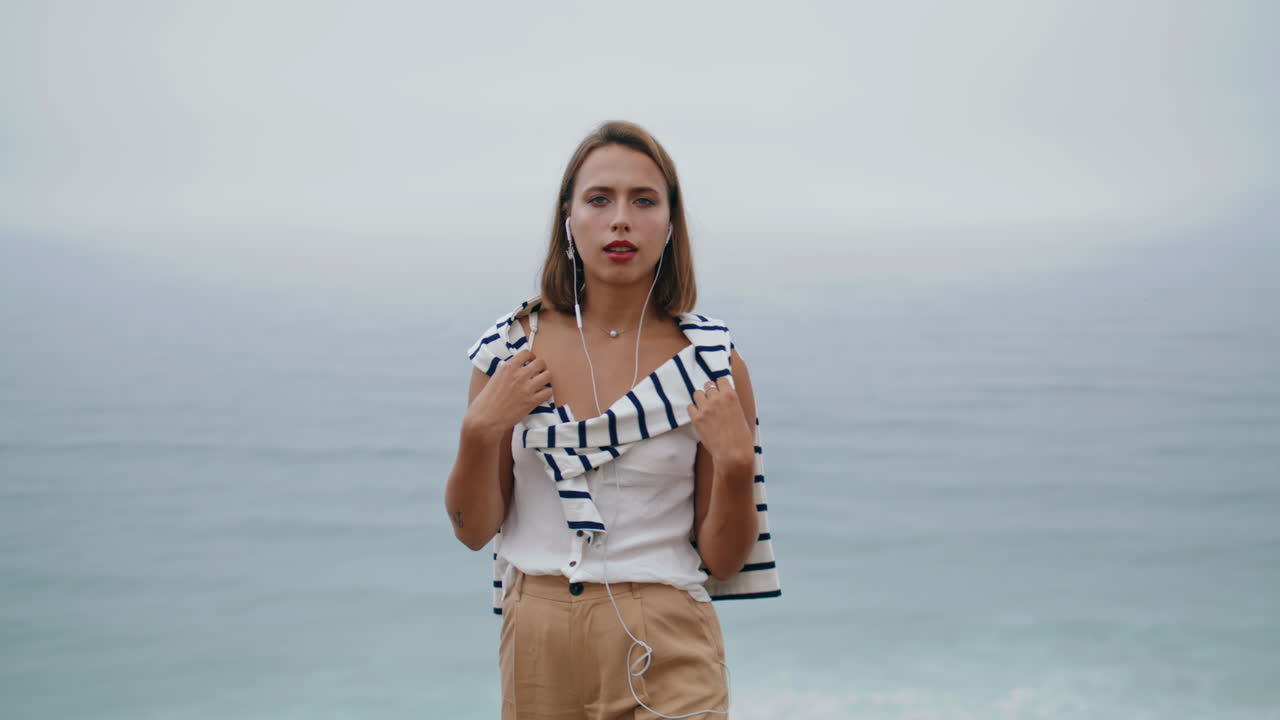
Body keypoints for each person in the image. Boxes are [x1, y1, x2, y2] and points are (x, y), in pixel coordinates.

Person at [444, 120, 780, 719]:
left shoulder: (711, 364)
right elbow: (473, 530)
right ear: (568, 218)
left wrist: (734, 464)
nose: (620, 219)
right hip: (537, 636)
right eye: (600, 199)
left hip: (665, 634)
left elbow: (725, 561)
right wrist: (480, 430)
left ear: (670, 223)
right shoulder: (509, 352)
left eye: (643, 200)